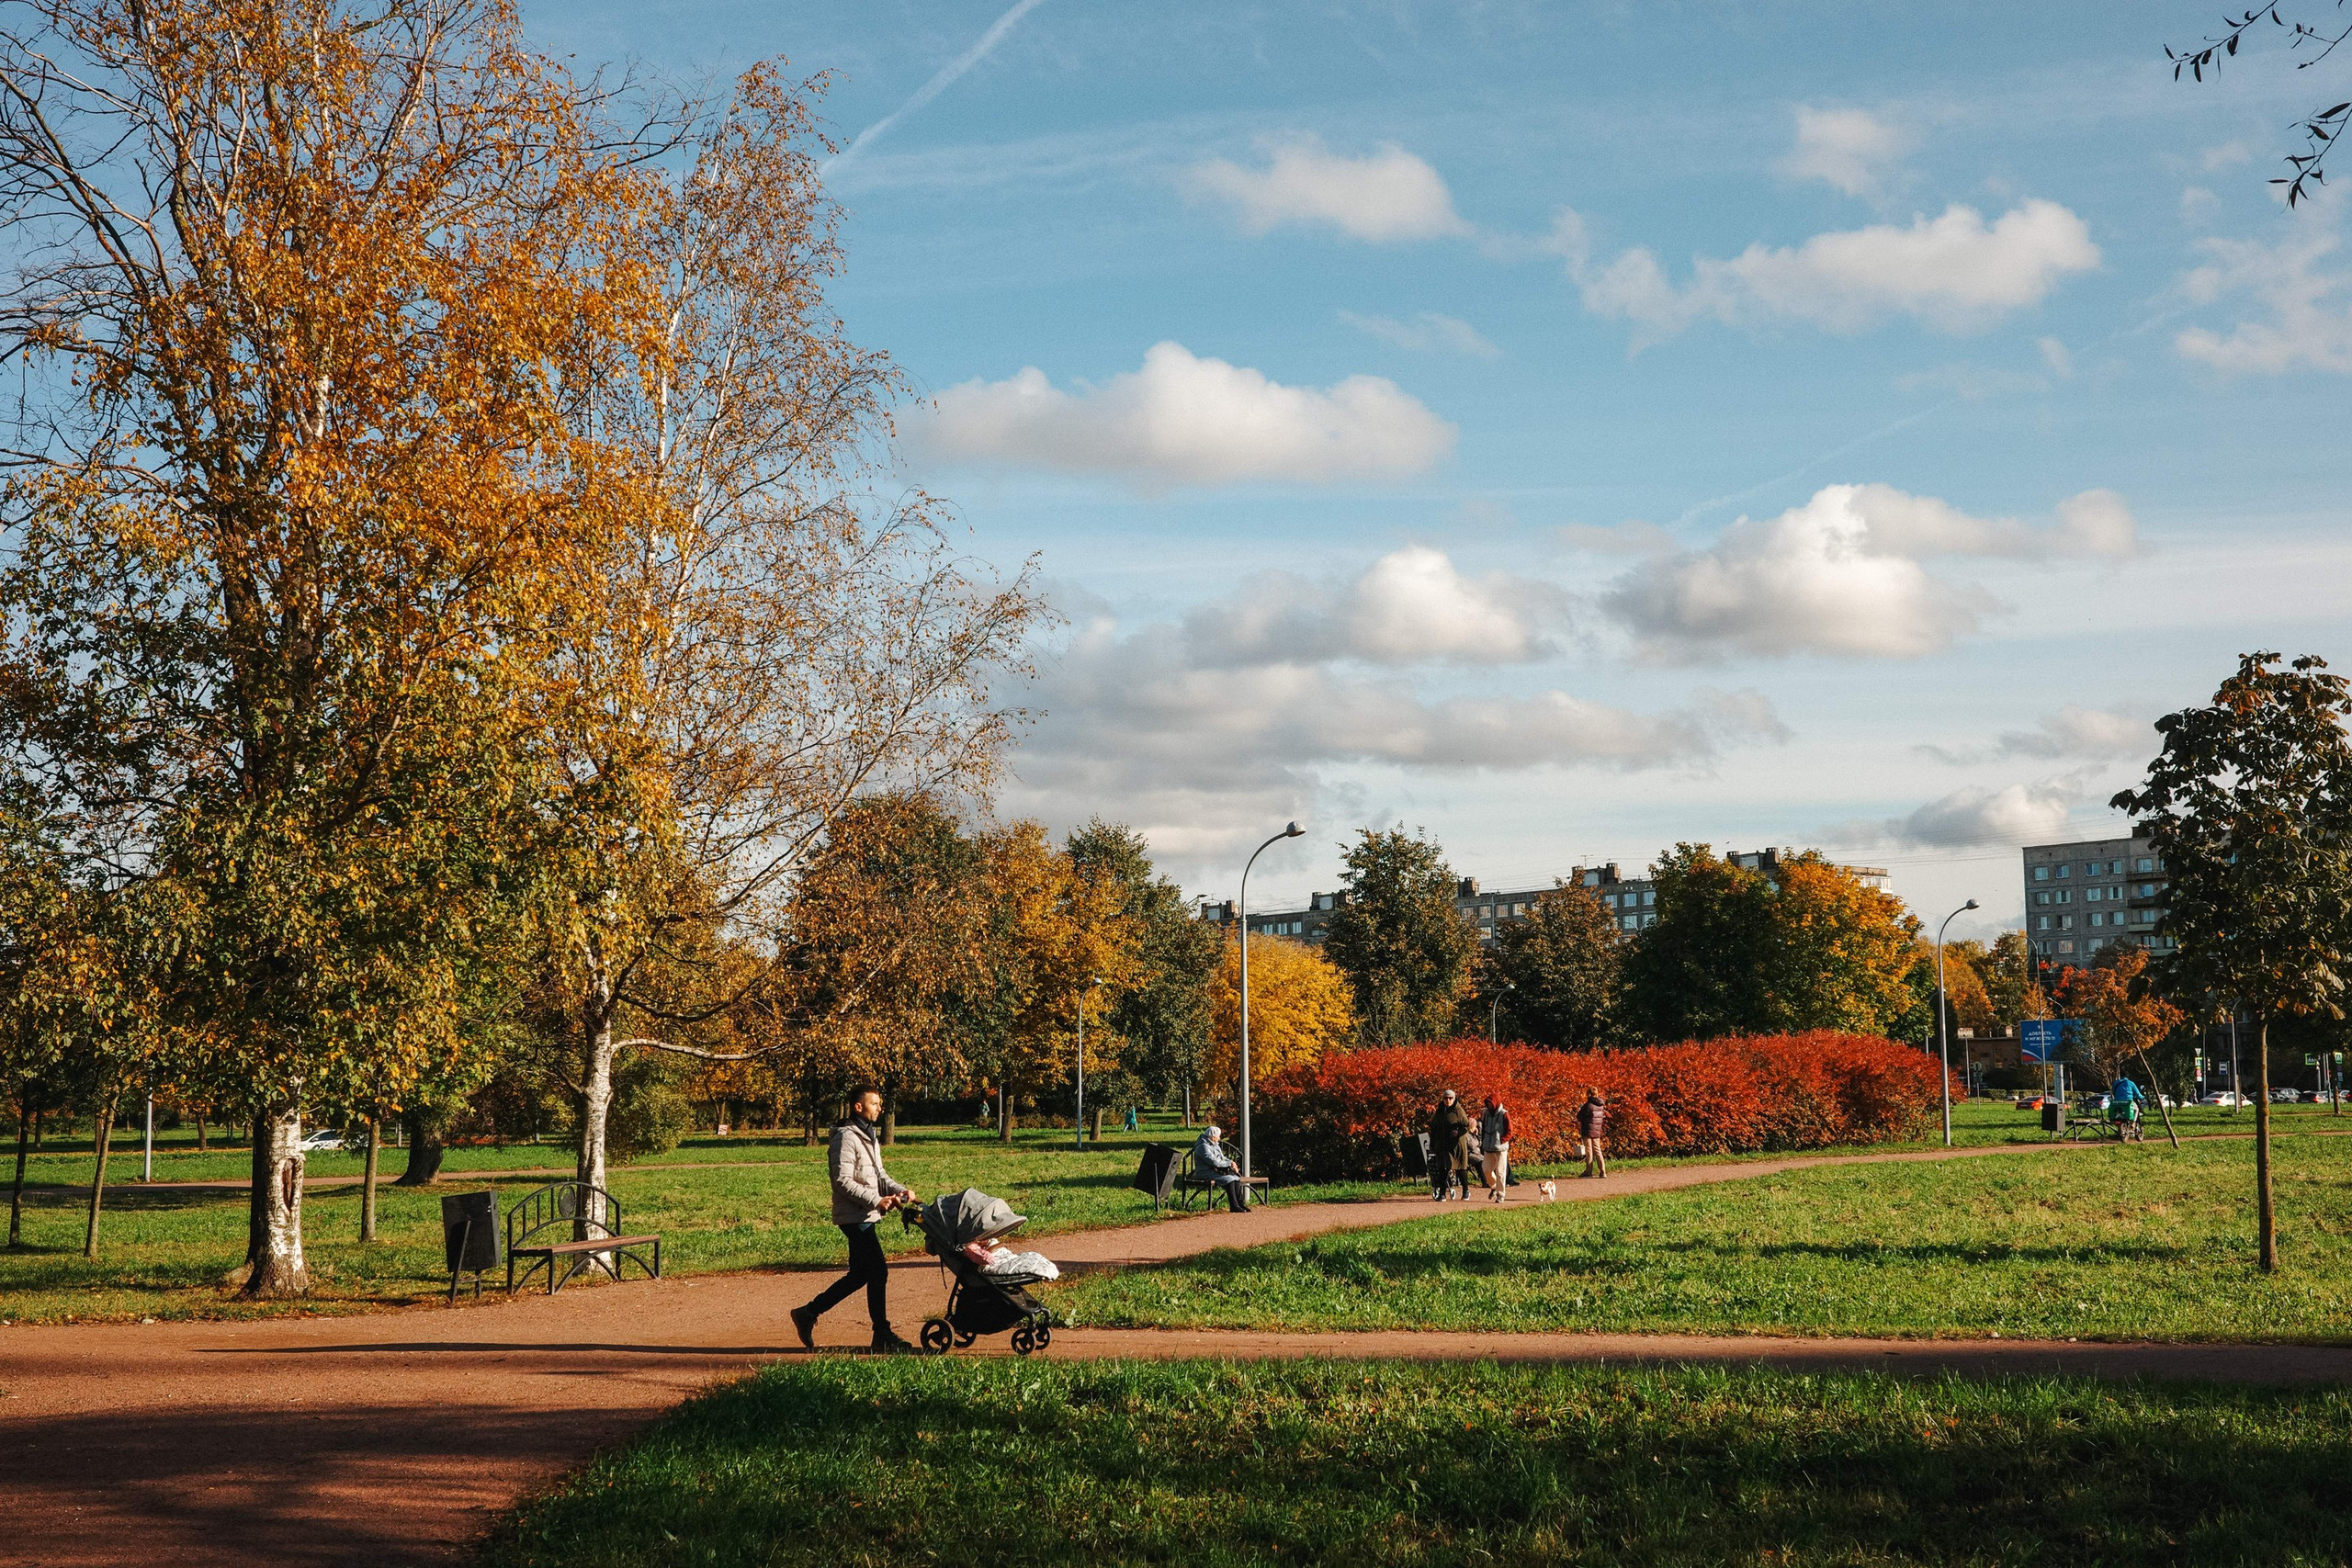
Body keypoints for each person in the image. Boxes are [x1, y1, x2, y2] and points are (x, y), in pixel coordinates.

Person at [791, 1086, 920, 1353]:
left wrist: (899, 1191)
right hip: (854, 1216)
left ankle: (808, 1312)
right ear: (858, 1107)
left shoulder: (869, 1135)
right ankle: (882, 1334)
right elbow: (841, 1181)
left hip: (865, 1213)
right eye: (874, 1104)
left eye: (880, 1104)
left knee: (861, 1274)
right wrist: (876, 1200)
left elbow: (879, 1176)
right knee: (878, 1271)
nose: (879, 1108)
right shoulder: (845, 1137)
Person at [1426, 1089, 1472, 1201]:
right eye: (1446, 1098)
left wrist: (1458, 1133)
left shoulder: (1458, 1111)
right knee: (1443, 1168)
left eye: (1450, 1098)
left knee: (1460, 1168)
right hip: (1442, 1144)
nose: (1448, 1100)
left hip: (1456, 1144)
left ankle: (1466, 1190)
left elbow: (1466, 1126)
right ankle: (1442, 1194)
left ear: (1454, 1099)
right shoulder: (1439, 1111)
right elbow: (1434, 1129)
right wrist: (1432, 1144)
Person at [1192, 1123, 1250, 1212]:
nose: (1219, 1138)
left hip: (1215, 1171)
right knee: (1229, 1179)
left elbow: (1222, 1158)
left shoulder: (1215, 1145)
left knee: (1235, 1178)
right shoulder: (1203, 1147)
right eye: (1218, 1136)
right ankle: (1234, 1206)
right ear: (1212, 1137)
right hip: (1204, 1172)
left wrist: (1231, 1162)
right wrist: (1229, 1164)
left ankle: (1240, 1204)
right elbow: (1214, 1162)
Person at [1478, 1094, 1513, 1202]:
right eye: (1487, 1103)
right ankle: (1494, 1187)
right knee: (1486, 1169)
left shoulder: (1504, 1114)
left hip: (1500, 1148)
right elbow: (1483, 1128)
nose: (1489, 1105)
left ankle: (1501, 1194)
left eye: (1490, 1103)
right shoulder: (1485, 1114)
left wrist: (1502, 1141)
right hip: (1488, 1147)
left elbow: (1509, 1131)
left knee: (1500, 1172)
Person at [1577, 1088, 1608, 1179]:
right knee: (1598, 1150)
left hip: (1587, 1130)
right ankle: (1603, 1171)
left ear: (1589, 1094)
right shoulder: (1601, 1105)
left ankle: (1588, 1171)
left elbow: (1579, 1117)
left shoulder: (1588, 1105)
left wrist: (1580, 1110)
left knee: (1589, 1151)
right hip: (1597, 1130)